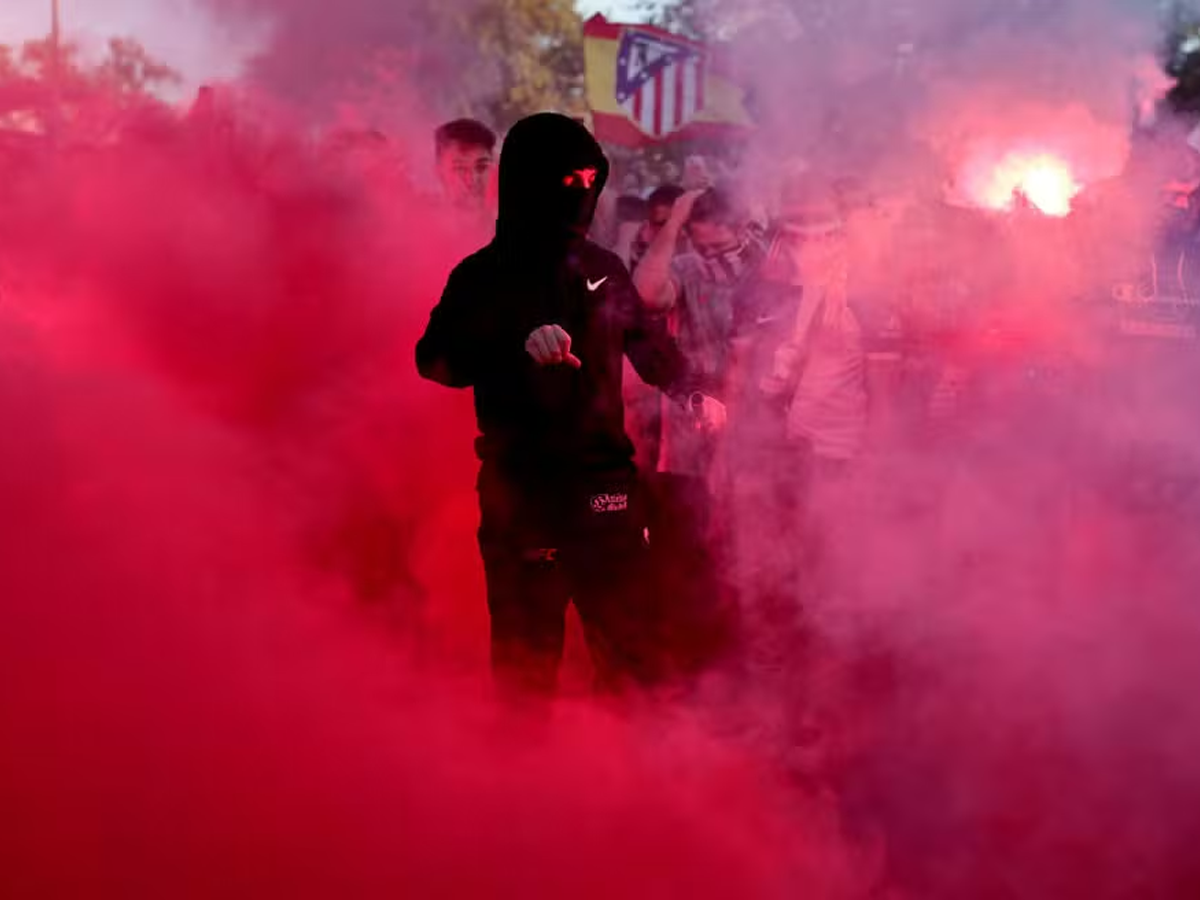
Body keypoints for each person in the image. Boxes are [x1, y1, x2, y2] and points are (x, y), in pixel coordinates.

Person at [416, 113, 725, 699]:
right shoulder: (481, 274)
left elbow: (651, 348)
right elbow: (434, 361)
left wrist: (693, 391)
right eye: (570, 180)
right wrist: (512, 347)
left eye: (592, 180)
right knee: (525, 665)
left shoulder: (603, 268)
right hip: (520, 493)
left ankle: (635, 780)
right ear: (531, 183)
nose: (583, 194)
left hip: (604, 487)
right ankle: (528, 781)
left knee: (631, 658)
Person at [632, 187, 767, 675]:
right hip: (693, 425)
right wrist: (676, 222)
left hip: (758, 427)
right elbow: (646, 292)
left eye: (722, 244)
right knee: (692, 540)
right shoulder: (687, 268)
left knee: (750, 540)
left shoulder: (767, 264)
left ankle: (745, 648)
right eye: (704, 243)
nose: (715, 255)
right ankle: (691, 657)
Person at [434, 118, 497, 215]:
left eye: (482, 167)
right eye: (460, 169)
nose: (473, 179)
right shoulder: (416, 224)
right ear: (439, 171)